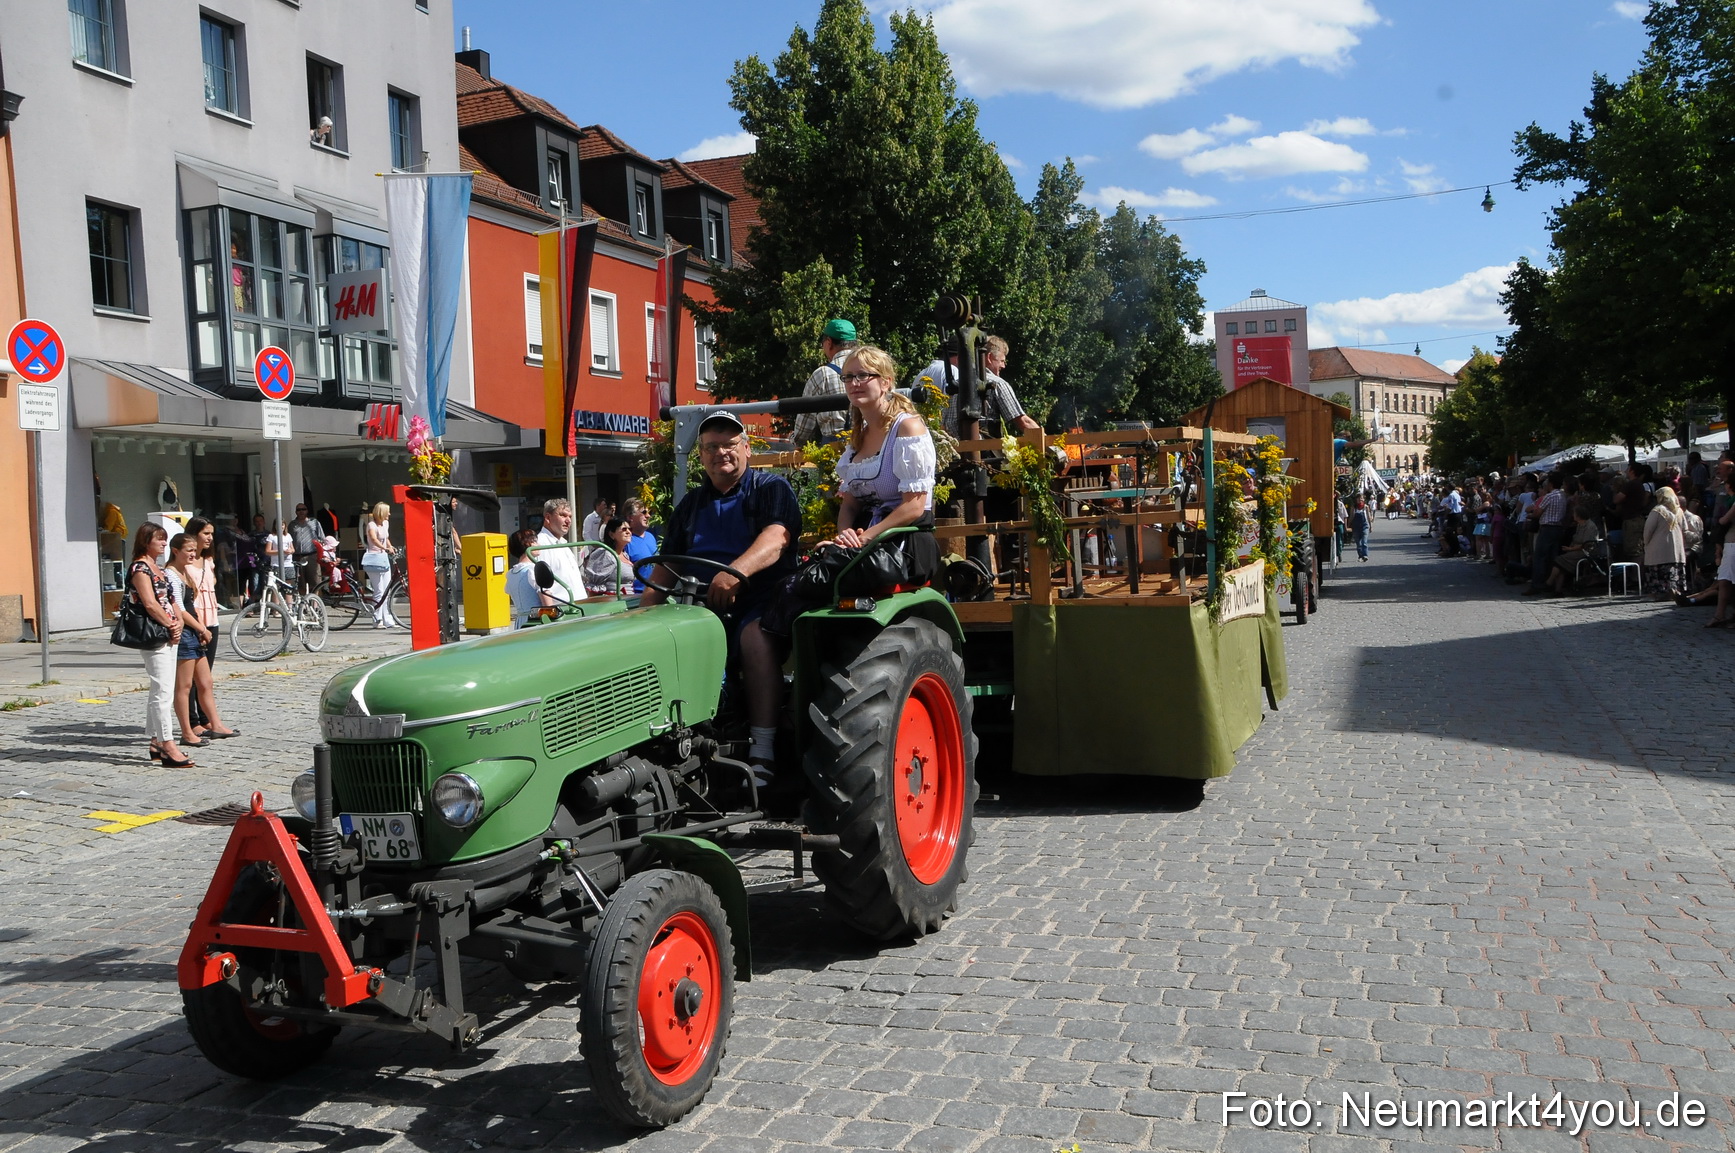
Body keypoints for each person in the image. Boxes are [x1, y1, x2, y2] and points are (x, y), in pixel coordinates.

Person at [642, 412, 802, 785]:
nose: (720, 453)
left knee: (754, 638)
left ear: (746, 448)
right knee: (655, 639)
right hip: (700, 601)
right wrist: (643, 614)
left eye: (729, 444)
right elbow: (668, 563)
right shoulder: (691, 504)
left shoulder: (770, 488)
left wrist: (734, 573)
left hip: (761, 597)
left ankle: (763, 750)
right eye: (711, 447)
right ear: (701, 455)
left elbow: (776, 539)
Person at [127, 524, 191, 769]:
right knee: (163, 691)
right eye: (159, 539)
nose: (164, 543)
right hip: (154, 634)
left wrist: (178, 623)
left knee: (162, 688)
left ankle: (155, 741)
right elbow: (150, 604)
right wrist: (170, 624)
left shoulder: (159, 568)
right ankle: (167, 743)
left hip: (169, 633)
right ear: (146, 541)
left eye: (165, 539)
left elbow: (171, 599)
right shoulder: (140, 568)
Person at [166, 533, 236, 748]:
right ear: (175, 551)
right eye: (189, 550)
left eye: (194, 550)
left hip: (194, 632)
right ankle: (187, 732)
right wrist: (201, 628)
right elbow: (179, 609)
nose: (193, 554)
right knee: (184, 686)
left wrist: (200, 628)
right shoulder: (170, 574)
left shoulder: (183, 572)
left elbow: (191, 605)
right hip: (185, 633)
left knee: (206, 682)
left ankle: (216, 724)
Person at [921, 340, 1040, 439]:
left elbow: (944, 426)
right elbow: (1023, 422)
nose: (1003, 366)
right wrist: (1046, 442)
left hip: (956, 454)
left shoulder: (955, 385)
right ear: (989, 357)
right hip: (985, 454)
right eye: (1002, 361)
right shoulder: (998, 383)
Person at [180, 518, 224, 737]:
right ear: (194, 534)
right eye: (206, 533)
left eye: (211, 534)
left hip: (211, 619)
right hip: (194, 621)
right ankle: (192, 721)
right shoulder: (184, 562)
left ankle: (206, 718)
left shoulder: (208, 560)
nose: (210, 538)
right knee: (190, 677)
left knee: (206, 675)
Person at [789, 318, 858, 446]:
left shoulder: (823, 374)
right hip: (871, 445)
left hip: (835, 449)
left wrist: (796, 440)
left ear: (829, 342)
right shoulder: (872, 369)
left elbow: (804, 425)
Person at [533, 497, 587, 605]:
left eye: (570, 516)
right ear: (548, 517)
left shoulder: (562, 543)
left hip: (579, 607)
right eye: (563, 515)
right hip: (563, 609)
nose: (568, 521)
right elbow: (542, 587)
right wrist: (551, 612)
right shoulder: (542, 544)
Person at [1524, 472, 1570, 595]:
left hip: (1547, 528)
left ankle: (1537, 585)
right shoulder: (1563, 495)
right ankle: (1551, 584)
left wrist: (1531, 514)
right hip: (1558, 528)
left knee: (1539, 557)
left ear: (1550, 484)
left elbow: (1537, 513)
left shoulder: (1549, 496)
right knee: (1553, 557)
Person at [1642, 485, 1687, 599]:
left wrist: (1646, 542)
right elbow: (1684, 528)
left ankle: (1657, 593)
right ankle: (1674, 591)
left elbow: (1648, 529)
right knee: (1673, 571)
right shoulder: (1679, 510)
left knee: (1657, 571)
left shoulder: (1657, 510)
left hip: (1658, 548)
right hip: (1676, 549)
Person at [360, 503, 398, 627]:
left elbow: (386, 538)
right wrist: (384, 548)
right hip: (374, 558)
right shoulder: (371, 525)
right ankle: (377, 618)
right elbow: (373, 539)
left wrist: (390, 546)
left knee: (387, 590)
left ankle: (387, 618)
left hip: (383, 558)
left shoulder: (385, 524)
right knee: (379, 590)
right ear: (381, 513)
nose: (389, 514)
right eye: (387, 512)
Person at [584, 518, 634, 596]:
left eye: (630, 529)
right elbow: (594, 588)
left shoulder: (625, 555)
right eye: (624, 529)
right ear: (611, 534)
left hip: (629, 599)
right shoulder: (605, 554)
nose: (628, 532)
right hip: (613, 601)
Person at [504, 529, 543, 628]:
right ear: (526, 544)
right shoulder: (533, 570)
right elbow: (546, 600)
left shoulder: (511, 573)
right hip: (536, 621)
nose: (539, 545)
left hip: (520, 622)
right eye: (534, 541)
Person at [621, 498, 658, 593]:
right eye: (644, 512)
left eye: (649, 512)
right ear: (630, 517)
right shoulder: (625, 541)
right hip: (636, 595)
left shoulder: (651, 537)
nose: (648, 516)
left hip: (656, 591)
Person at [289, 504, 320, 594]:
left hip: (312, 556)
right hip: (297, 557)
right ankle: (303, 602)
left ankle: (315, 602)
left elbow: (321, 538)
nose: (301, 511)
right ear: (296, 512)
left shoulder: (314, 522)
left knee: (315, 583)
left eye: (303, 509)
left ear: (307, 511)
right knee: (300, 584)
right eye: (299, 510)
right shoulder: (292, 525)